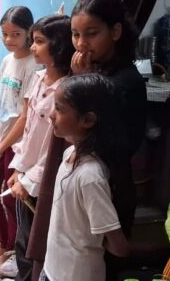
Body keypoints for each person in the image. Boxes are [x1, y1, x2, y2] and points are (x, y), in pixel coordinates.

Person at [69, 0, 147, 280]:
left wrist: (84, 84)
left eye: (91, 34)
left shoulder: (125, 81)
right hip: (87, 180)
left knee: (103, 265)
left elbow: (109, 139)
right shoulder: (96, 70)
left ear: (115, 31)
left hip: (111, 185)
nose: (81, 43)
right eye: (75, 34)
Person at [6, 15, 74, 281]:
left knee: (39, 244)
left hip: (45, 180)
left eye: (39, 42)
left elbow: (56, 146)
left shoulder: (66, 90)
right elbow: (29, 128)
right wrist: (18, 167)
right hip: (26, 174)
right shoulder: (37, 78)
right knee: (24, 240)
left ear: (57, 45)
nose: (32, 48)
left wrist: (30, 178)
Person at [42, 74, 130, 281]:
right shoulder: (69, 154)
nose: (52, 115)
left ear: (88, 120)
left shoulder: (90, 176)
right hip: (53, 269)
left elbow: (119, 247)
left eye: (60, 109)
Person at [0, 6, 39, 272]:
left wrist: (2, 146)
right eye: (5, 34)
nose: (9, 40)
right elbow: (0, 107)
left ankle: (14, 253)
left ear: (29, 32)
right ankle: (5, 244)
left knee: (11, 200)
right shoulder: (7, 61)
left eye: (16, 34)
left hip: (17, 146)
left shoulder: (33, 66)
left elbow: (24, 117)